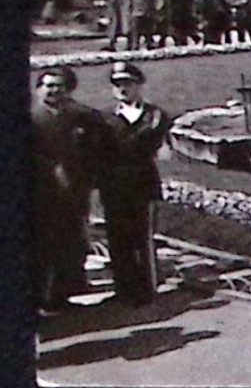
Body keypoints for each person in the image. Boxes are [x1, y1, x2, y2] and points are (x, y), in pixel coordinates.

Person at [97, 61, 173, 306]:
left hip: (143, 183)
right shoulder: (104, 117)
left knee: (143, 236)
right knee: (118, 238)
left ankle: (146, 289)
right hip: (113, 185)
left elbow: (151, 142)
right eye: (117, 84)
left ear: (139, 85)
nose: (122, 89)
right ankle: (124, 290)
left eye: (127, 83)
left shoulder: (155, 115)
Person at [32, 66, 99, 311]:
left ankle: (65, 293)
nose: (53, 90)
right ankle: (41, 297)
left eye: (58, 85)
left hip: (75, 188)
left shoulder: (80, 115)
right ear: (39, 89)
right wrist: (51, 169)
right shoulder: (30, 118)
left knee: (72, 239)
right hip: (41, 191)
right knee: (43, 245)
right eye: (48, 85)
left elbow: (96, 146)